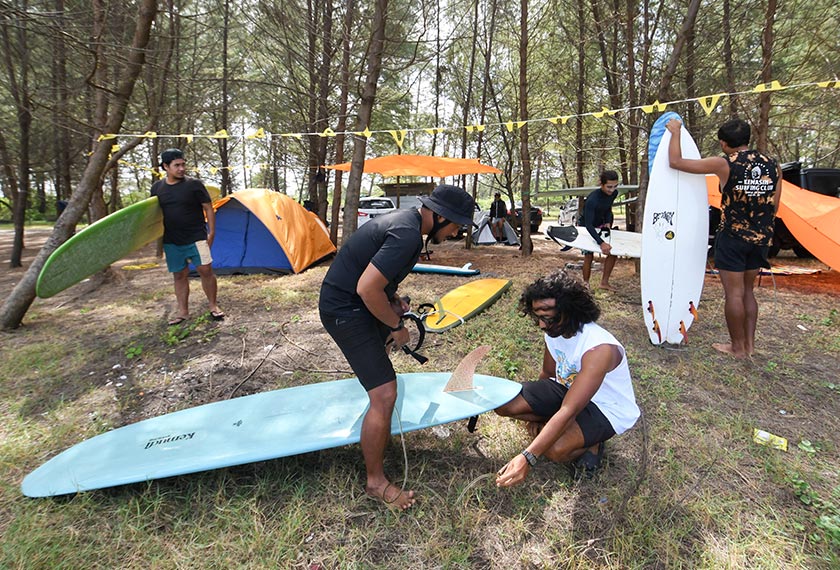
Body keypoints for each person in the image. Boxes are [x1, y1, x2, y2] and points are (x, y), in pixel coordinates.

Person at [319, 184, 477, 510]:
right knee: (385, 392)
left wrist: (392, 301)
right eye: (455, 226)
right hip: (344, 309)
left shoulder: (406, 224)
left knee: (381, 371)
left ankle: (375, 430)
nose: (455, 233)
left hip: (352, 302)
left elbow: (371, 273)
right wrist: (396, 326)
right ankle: (375, 482)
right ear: (440, 217)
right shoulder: (407, 235)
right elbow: (366, 288)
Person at [495, 271, 640, 487]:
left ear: (570, 310)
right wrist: (539, 409)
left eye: (548, 317)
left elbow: (568, 410)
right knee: (504, 403)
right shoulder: (555, 332)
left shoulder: (598, 349)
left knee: (554, 449)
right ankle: (560, 429)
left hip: (606, 408)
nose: (542, 325)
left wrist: (528, 457)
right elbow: (548, 376)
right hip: (568, 392)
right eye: (538, 317)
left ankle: (594, 443)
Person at [666, 118, 781, 358]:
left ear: (723, 143)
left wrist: (675, 132)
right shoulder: (773, 165)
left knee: (734, 294)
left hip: (733, 237)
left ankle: (737, 347)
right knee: (748, 292)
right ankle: (749, 346)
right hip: (761, 238)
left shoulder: (724, 163)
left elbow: (676, 162)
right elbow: (774, 206)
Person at [151, 148, 224, 326]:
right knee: (179, 275)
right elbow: (154, 216)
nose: (182, 168)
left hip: (196, 237)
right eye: (177, 165)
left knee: (205, 271)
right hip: (172, 240)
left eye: (183, 164)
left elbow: (208, 207)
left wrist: (211, 232)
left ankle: (213, 306)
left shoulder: (194, 184)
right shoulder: (157, 188)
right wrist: (157, 242)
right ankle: (183, 312)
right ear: (165, 166)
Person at [582, 171, 620, 290]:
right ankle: (586, 284)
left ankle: (604, 283)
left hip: (601, 224)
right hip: (586, 226)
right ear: (601, 184)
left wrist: (608, 221)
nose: (612, 190)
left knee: (613, 252)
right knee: (588, 255)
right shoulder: (592, 199)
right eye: (609, 187)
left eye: (615, 186)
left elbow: (608, 208)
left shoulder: (614, 194)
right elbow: (588, 224)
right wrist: (601, 242)